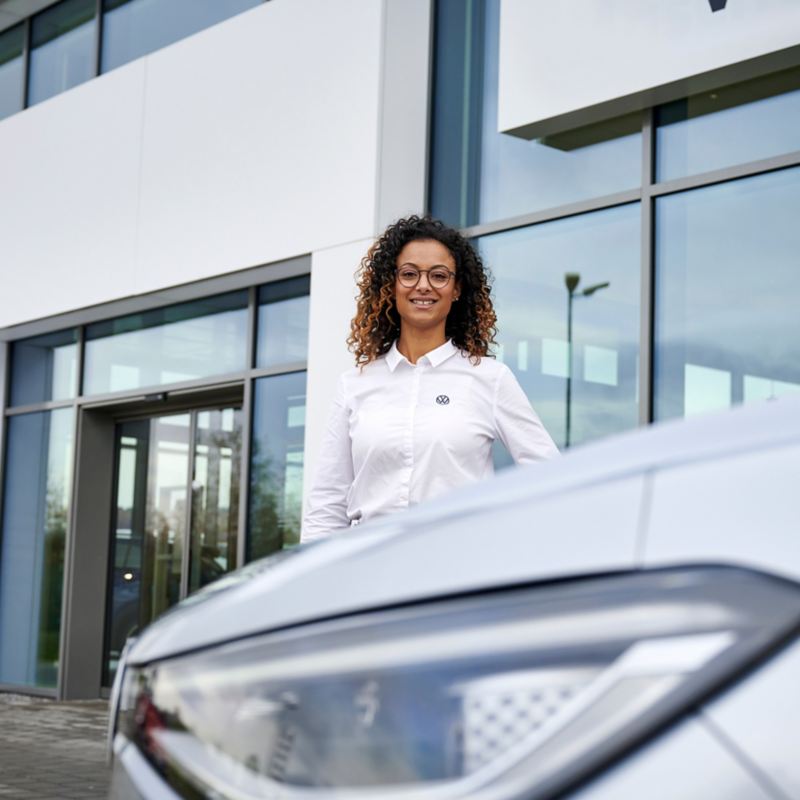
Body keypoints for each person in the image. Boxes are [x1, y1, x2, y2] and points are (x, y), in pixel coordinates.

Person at [302, 215, 557, 541]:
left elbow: (547, 473)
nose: (423, 286)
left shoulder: (490, 379)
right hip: (370, 570)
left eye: (439, 276)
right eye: (409, 274)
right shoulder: (355, 384)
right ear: (390, 285)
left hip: (456, 572)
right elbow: (327, 503)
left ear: (456, 289)